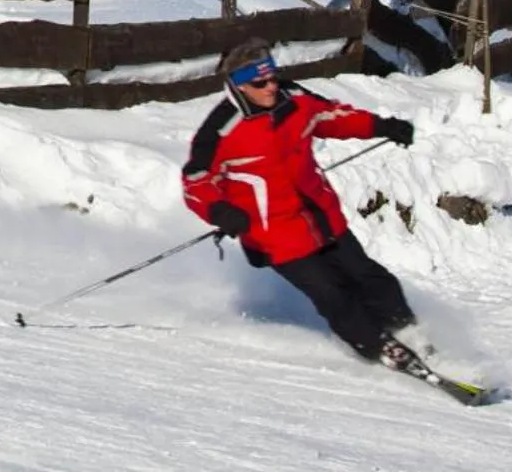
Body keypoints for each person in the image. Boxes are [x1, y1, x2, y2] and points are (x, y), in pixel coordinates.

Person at [181, 39, 426, 368]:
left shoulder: (293, 98)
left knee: (369, 276)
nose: (271, 87)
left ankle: (409, 332)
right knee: (333, 294)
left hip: (321, 215)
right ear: (240, 86)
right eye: (260, 83)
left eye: (272, 77)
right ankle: (378, 347)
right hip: (275, 234)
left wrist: (380, 126)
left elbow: (331, 116)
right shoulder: (221, 130)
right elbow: (196, 180)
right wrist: (219, 210)